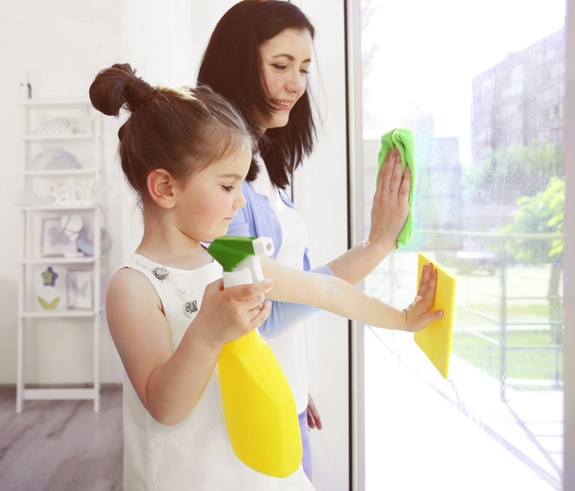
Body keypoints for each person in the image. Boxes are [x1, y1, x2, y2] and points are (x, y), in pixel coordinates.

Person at [90, 63, 440, 490]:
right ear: (165, 188)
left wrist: (403, 319)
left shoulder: (230, 259)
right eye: (227, 186)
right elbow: (164, 405)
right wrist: (207, 332)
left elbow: (325, 289)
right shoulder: (134, 287)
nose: (239, 204)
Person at [197, 0, 413, 478]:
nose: (296, 84)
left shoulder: (271, 173)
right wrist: (377, 247)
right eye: (280, 65)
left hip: (284, 393)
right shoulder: (219, 183)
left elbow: (291, 294)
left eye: (304, 68)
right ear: (237, 63)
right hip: (251, 409)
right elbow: (259, 304)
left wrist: (296, 378)